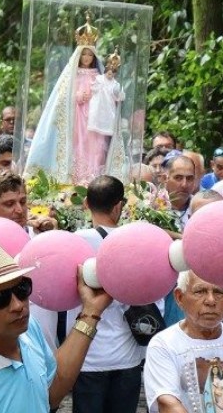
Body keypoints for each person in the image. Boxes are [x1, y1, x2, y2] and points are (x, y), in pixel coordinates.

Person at [0, 243, 113, 411]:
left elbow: (51, 393)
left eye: (22, 289)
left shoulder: (27, 327)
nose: (18, 305)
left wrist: (91, 312)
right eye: (0, 298)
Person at [65, 175, 150, 413]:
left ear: (86, 205)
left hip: (87, 356)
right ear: (119, 206)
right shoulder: (137, 243)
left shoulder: (74, 243)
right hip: (128, 357)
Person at [24, 15, 127, 185]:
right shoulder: (71, 75)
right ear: (79, 55)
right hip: (77, 117)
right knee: (77, 146)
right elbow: (62, 96)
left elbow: (110, 91)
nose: (86, 58)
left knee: (95, 148)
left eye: (89, 55)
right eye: (84, 54)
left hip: (94, 118)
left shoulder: (98, 76)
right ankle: (75, 180)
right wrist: (77, 97)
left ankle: (94, 179)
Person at [144, 270, 223, 413]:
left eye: (218, 292)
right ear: (179, 297)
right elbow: (168, 403)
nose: (211, 301)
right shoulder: (163, 345)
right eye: (200, 291)